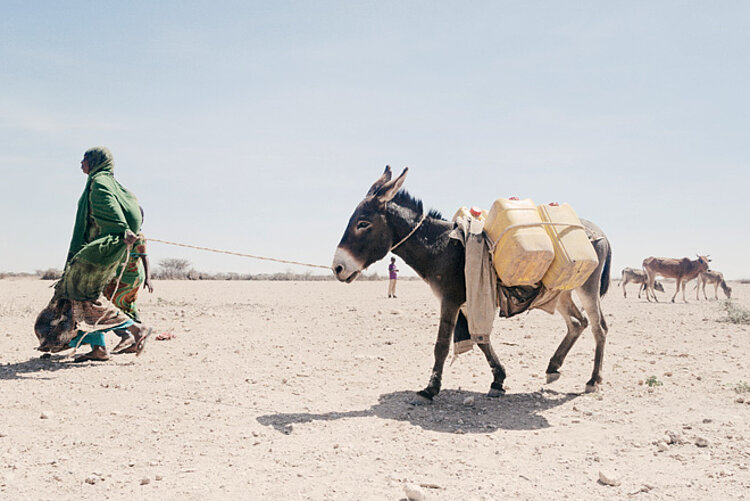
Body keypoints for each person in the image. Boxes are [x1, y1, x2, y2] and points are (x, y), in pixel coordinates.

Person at [34, 147, 151, 362]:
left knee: (85, 297)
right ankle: (99, 348)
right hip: (101, 250)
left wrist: (119, 228)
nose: (81, 163)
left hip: (97, 252)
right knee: (81, 300)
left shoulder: (100, 183)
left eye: (85, 159)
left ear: (96, 161)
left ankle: (135, 328)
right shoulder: (115, 185)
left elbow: (109, 207)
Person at [103, 207, 154, 352]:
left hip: (129, 277)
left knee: (111, 306)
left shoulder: (138, 237)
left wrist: (148, 278)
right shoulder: (120, 235)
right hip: (120, 276)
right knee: (126, 306)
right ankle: (138, 333)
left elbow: (144, 257)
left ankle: (127, 335)